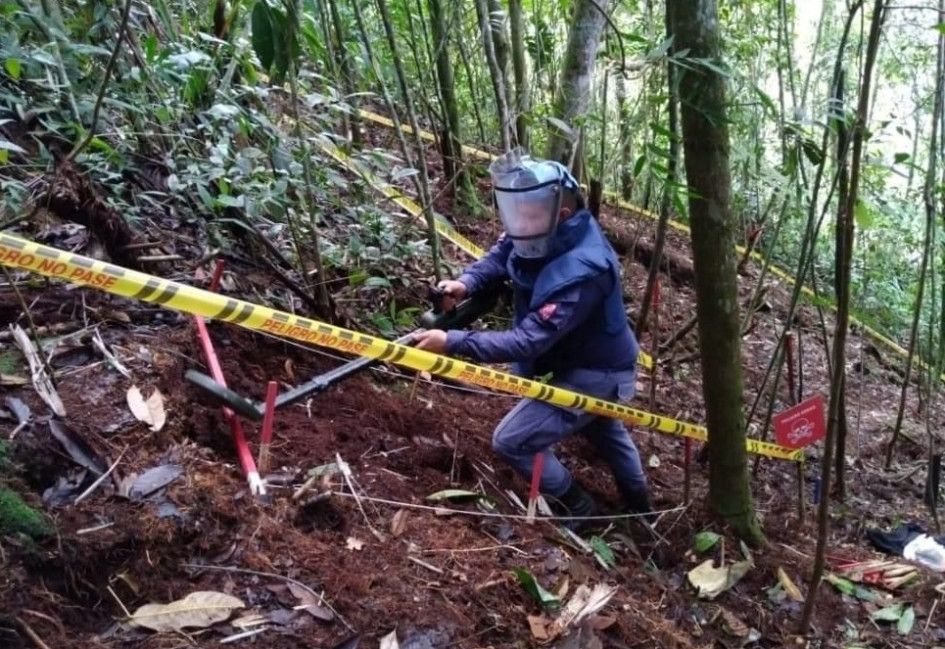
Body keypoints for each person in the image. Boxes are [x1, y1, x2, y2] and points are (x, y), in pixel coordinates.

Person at [412, 149, 654, 531]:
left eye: (528, 213)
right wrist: (466, 282)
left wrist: (453, 341)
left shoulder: (585, 270)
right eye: (517, 211)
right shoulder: (538, 226)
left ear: (561, 214)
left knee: (511, 440)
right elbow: (502, 253)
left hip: (598, 371)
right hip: (582, 358)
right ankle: (643, 513)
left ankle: (582, 507)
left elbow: (527, 343)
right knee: (602, 427)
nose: (519, 221)